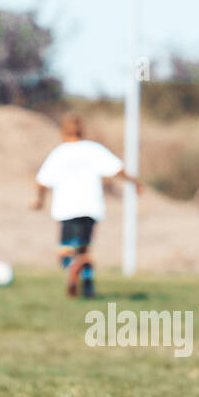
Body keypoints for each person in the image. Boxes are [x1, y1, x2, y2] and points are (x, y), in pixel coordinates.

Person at [30, 113, 143, 298]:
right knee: (84, 249)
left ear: (63, 132)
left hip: (67, 209)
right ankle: (88, 285)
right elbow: (117, 169)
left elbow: (42, 181)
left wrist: (39, 200)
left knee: (65, 253)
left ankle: (73, 268)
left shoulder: (59, 153)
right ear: (82, 131)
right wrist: (135, 182)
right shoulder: (94, 150)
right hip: (91, 208)